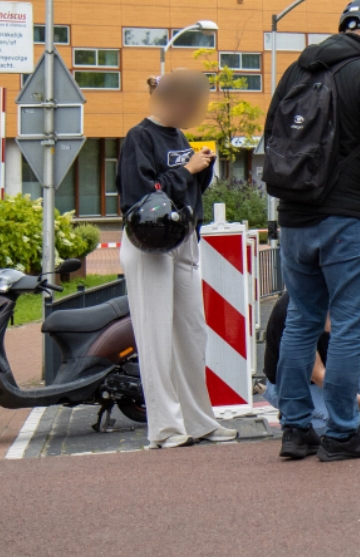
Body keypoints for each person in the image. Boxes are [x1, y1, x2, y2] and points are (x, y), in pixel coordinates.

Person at [265, 0, 360, 462]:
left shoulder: (296, 72)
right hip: (348, 219)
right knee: (350, 327)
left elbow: (272, 138)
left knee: (301, 322)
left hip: (295, 218)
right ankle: (344, 433)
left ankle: (296, 428)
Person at [116, 70, 238, 449]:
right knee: (155, 337)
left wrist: (202, 167)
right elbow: (140, 194)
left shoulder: (180, 136)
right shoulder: (140, 136)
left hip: (182, 239)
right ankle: (166, 429)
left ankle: (199, 420)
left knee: (190, 334)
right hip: (149, 243)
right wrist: (187, 169)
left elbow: (186, 187)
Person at [260, 293, 360, 439]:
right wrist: (357, 403)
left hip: (333, 371)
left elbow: (352, 334)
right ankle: (292, 415)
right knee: (341, 422)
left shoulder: (338, 294)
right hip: (295, 384)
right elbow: (318, 374)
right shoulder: (293, 313)